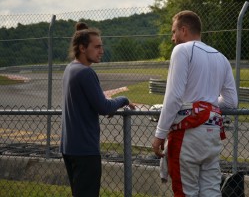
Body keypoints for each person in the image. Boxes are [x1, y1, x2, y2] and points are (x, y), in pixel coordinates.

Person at [152, 10, 238, 196]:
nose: (172, 38)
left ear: (184, 30)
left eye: (174, 32)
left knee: (185, 191)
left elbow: (174, 97)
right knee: (211, 191)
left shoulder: (182, 50)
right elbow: (231, 101)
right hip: (212, 134)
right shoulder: (221, 57)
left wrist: (160, 133)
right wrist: (207, 107)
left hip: (187, 134)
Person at [60, 22, 135, 197]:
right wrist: (123, 100)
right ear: (83, 48)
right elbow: (103, 107)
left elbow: (94, 102)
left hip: (69, 147)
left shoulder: (70, 69)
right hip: (85, 150)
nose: (101, 50)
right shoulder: (86, 73)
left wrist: (107, 104)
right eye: (97, 47)